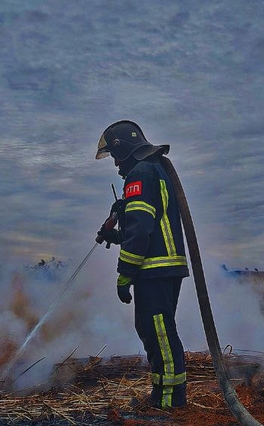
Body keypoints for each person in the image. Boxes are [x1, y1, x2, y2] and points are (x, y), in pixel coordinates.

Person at [95, 120, 189, 409]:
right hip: (161, 267)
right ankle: (161, 395)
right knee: (152, 329)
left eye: (114, 156)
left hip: (155, 269)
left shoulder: (140, 174)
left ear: (124, 150)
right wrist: (114, 235)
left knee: (159, 331)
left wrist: (124, 275)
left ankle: (170, 402)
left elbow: (139, 233)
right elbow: (146, 228)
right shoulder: (154, 171)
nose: (115, 165)